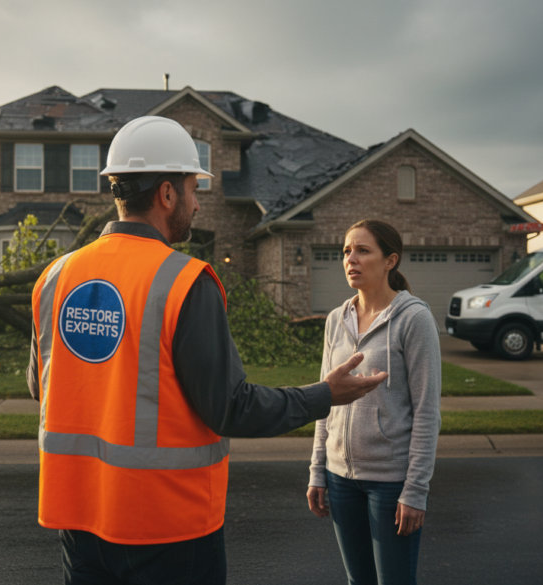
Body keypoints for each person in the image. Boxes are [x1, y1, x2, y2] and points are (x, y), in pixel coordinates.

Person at [27, 116, 388, 585]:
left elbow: (42, 386)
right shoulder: (183, 281)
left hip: (77, 520)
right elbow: (231, 408)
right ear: (167, 194)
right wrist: (325, 394)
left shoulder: (54, 277)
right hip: (167, 526)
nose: (198, 205)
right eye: (194, 189)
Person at [306, 219, 442, 585]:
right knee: (357, 580)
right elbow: (325, 400)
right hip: (339, 478)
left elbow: (427, 413)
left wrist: (415, 491)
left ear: (389, 261)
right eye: (346, 251)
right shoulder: (337, 319)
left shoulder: (414, 319)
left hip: (390, 482)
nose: (351, 259)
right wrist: (318, 471)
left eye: (363, 250)